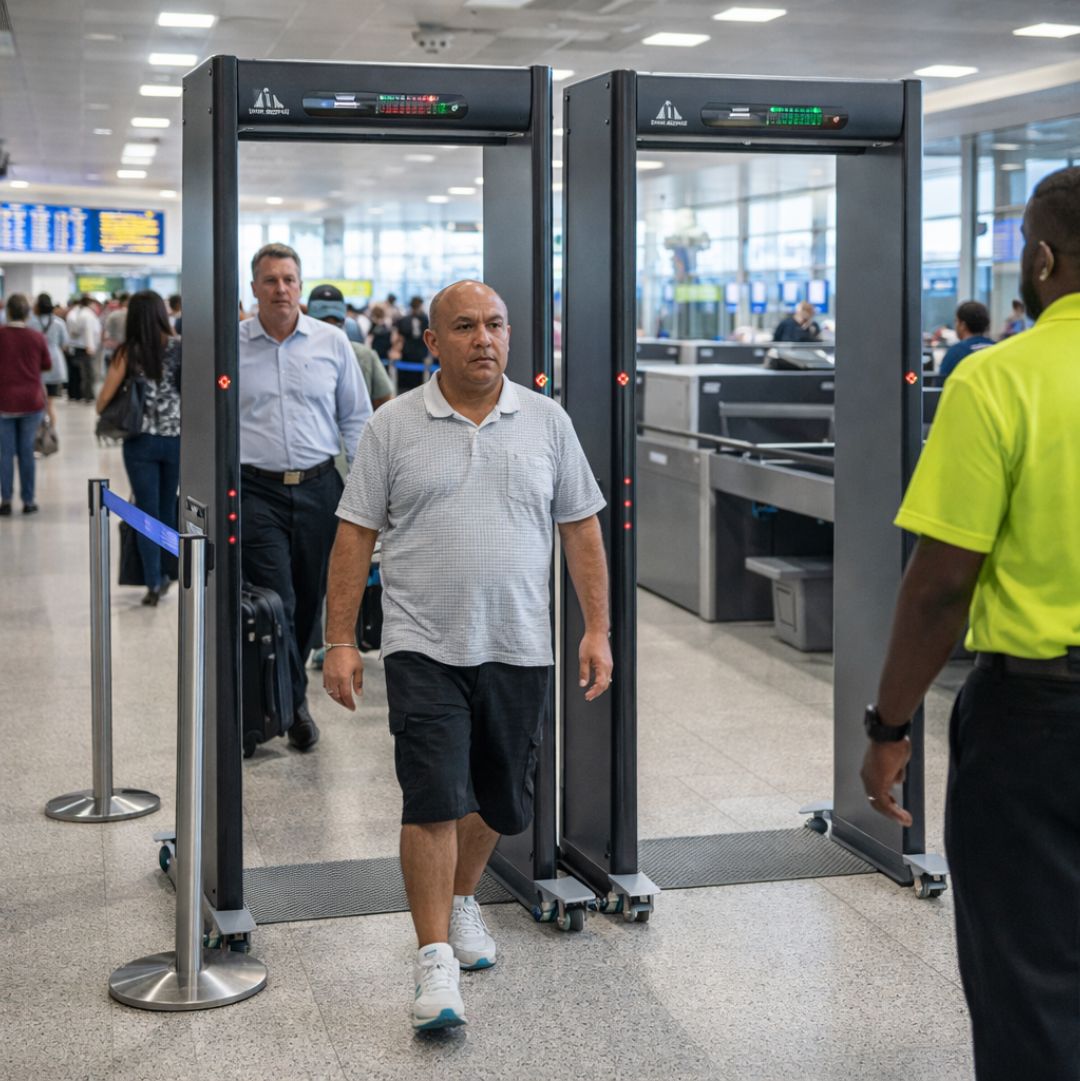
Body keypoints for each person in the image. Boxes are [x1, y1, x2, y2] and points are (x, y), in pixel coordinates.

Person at [323, 280, 612, 1031]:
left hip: (519, 643)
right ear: (433, 342)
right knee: (431, 795)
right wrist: (340, 639)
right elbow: (354, 534)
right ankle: (433, 959)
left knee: (500, 799)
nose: (484, 338)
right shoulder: (392, 426)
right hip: (424, 644)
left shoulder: (546, 421)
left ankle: (460, 902)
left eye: (495, 325)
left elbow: (581, 528)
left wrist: (597, 629)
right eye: (465, 326)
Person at [859, 166, 1080, 1081]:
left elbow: (942, 582)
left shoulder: (999, 380)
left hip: (1041, 723)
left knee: (1032, 971)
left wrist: (891, 723)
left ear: (1039, 257)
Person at [239, 243, 372, 751]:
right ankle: (292, 706)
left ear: (301, 285)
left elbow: (356, 418)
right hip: (258, 492)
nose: (281, 289)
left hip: (320, 488)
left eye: (289, 280)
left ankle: (280, 697)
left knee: (308, 602)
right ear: (254, 288)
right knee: (278, 598)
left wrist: (365, 484)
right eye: (270, 280)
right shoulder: (233, 344)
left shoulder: (331, 343)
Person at [95, 292, 182, 606]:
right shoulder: (180, 347)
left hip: (139, 443)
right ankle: (176, 571)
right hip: (175, 441)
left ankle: (153, 580)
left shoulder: (127, 353)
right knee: (168, 506)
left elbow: (102, 401)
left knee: (146, 511)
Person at [0, 293, 51, 515]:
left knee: (5, 453)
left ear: (8, 312)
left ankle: (6, 500)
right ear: (28, 313)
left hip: (4, 401)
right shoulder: (37, 337)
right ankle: (29, 500)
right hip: (32, 400)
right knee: (27, 452)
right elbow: (46, 365)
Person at [308, 284, 394, 409]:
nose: (330, 329)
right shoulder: (363, 355)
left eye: (335, 321)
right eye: (323, 322)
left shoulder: (364, 356)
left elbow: (385, 403)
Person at [29, 294, 69, 427]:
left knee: (36, 402)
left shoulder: (31, 322)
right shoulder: (59, 322)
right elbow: (65, 344)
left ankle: (36, 432)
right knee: (50, 404)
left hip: (35, 363)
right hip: (55, 363)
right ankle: (50, 434)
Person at [938, 300, 995, 381]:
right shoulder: (998, 349)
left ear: (963, 325)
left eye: (956, 321)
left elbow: (940, 386)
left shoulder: (956, 352)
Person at [65, 295, 100, 402]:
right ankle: (88, 395)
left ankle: (80, 394)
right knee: (88, 373)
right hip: (86, 347)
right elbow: (88, 331)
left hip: (80, 346)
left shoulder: (81, 314)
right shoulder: (86, 315)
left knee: (80, 372)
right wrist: (90, 346)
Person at [393, 295, 432, 392]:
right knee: (417, 384)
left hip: (407, 354)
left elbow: (399, 338)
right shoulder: (425, 320)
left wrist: (396, 350)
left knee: (404, 385)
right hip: (418, 355)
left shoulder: (404, 319)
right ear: (420, 305)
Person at [102, 292, 129, 364]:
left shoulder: (112, 313)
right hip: (126, 349)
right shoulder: (132, 314)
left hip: (113, 348)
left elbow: (105, 331)